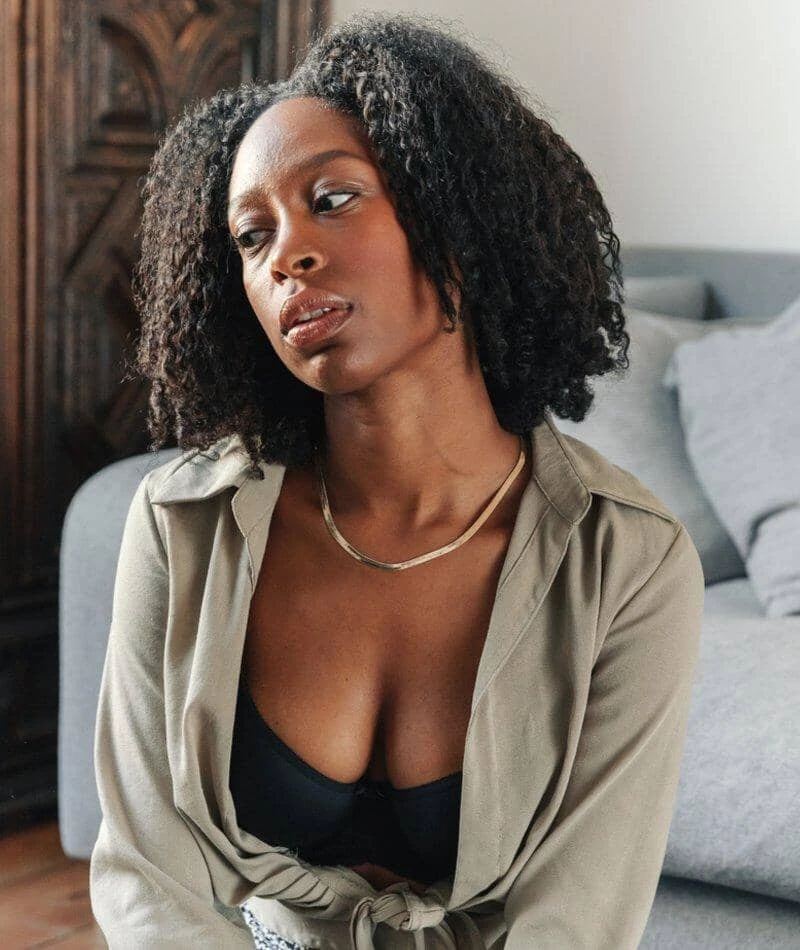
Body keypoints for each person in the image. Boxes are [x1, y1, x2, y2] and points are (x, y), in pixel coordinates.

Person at [89, 12, 705, 950]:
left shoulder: (627, 559)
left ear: (453, 213)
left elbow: (577, 920)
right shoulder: (183, 523)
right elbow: (146, 879)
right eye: (252, 237)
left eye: (332, 198)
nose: (286, 255)